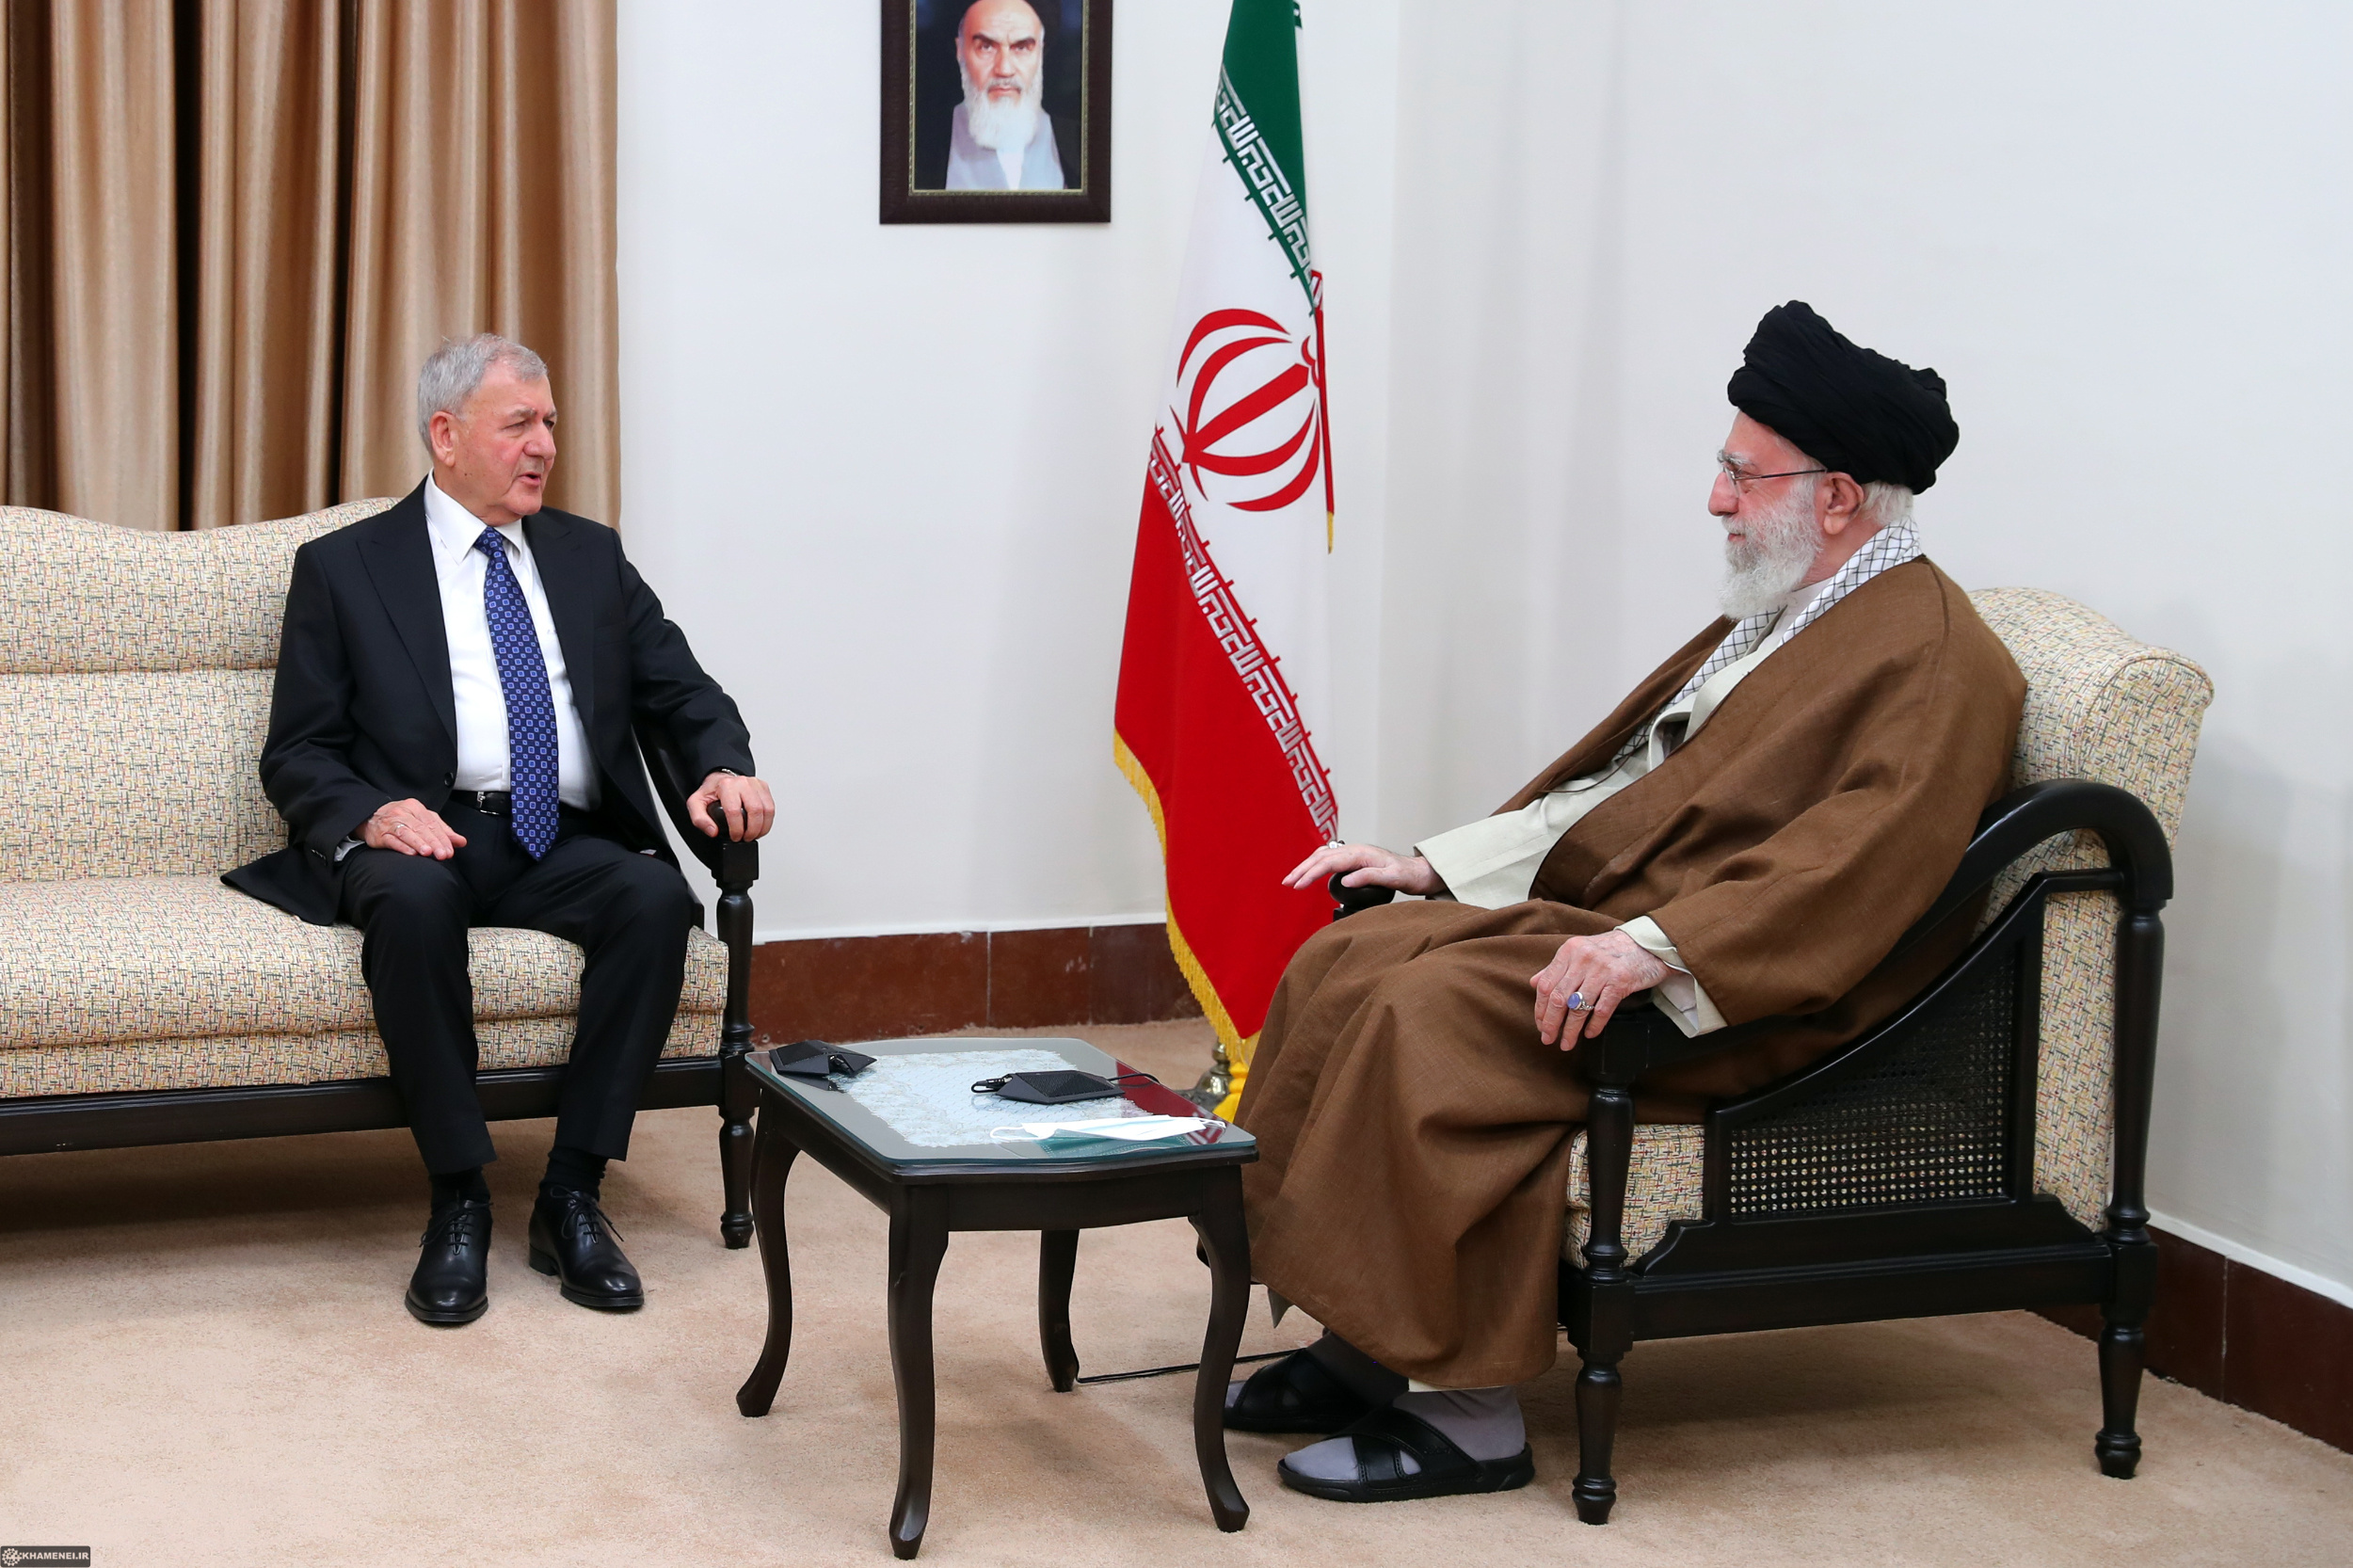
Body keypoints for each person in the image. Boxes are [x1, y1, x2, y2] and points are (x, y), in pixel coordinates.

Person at [1224, 302, 2026, 1502]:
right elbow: (1623, 789)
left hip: (1754, 989)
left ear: (1838, 497)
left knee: (1431, 1017)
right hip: (1640, 929)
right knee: (1351, 957)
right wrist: (1436, 866)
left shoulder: (1937, 659)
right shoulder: (1791, 608)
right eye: (1722, 467)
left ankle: (1471, 1416)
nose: (1714, 499)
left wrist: (1657, 946)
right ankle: (1367, 1344)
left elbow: (1849, 868)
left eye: (1742, 475)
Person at [225, 334, 776, 1328]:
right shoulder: (347, 568)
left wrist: (724, 765)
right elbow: (297, 751)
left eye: (550, 423)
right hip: (421, 835)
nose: (545, 445)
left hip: (557, 836)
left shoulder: (589, 556)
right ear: (445, 435)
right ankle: (459, 1199)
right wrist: (371, 813)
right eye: (519, 423)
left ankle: (572, 1193)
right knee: (408, 904)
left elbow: (681, 690)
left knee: (654, 898)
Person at [915, 0, 1077, 191]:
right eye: (986, 47)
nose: (1004, 69)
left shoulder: (1081, 145)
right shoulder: (918, 148)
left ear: (1040, 53)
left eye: (1021, 48)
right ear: (960, 50)